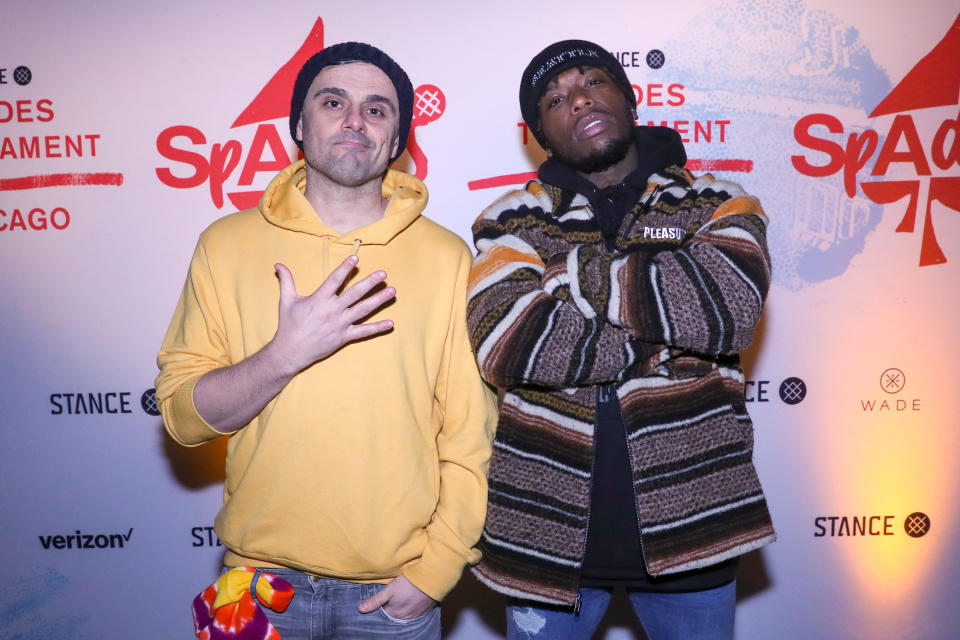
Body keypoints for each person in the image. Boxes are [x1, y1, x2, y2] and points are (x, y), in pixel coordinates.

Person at [156, 41, 497, 640]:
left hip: (393, 596)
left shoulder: (446, 258)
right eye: (333, 101)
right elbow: (184, 419)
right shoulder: (225, 244)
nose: (353, 121)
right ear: (298, 125)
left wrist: (435, 573)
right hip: (256, 589)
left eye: (377, 109)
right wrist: (285, 354)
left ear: (397, 140)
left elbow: (470, 435)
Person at [466, 40, 776, 639]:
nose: (577, 100)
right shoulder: (509, 218)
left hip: (697, 522)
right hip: (545, 534)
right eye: (555, 99)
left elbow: (727, 308)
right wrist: (665, 337)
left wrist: (570, 274)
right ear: (541, 135)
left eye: (592, 82)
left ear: (629, 98)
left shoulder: (718, 201)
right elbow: (507, 343)